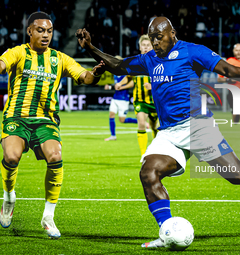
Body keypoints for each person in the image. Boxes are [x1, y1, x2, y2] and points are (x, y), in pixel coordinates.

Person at [76, 17, 240, 248]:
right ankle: (167, 232)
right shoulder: (149, 59)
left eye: (159, 36)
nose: (155, 42)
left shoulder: (192, 51)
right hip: (169, 133)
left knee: (239, 176)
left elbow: (228, 69)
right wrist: (91, 48)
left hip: (198, 126)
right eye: (152, 37)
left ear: (172, 33)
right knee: (148, 173)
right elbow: (119, 65)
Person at [0, 12, 104, 239]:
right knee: (11, 158)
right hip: (17, 118)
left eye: (49, 31)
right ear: (30, 31)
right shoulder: (18, 52)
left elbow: (84, 76)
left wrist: (95, 74)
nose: (45, 34)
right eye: (40, 30)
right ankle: (8, 198)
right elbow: (1, 63)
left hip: (46, 120)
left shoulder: (60, 58)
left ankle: (48, 216)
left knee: (55, 156)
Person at [127, 34, 158, 155]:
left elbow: (165, 81)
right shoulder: (134, 62)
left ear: (152, 47)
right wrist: (120, 85)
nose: (145, 47)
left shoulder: (157, 62)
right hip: (140, 100)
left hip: (154, 101)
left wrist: (152, 86)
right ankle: (143, 154)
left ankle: (156, 150)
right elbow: (128, 77)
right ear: (139, 47)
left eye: (148, 45)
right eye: (143, 45)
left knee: (155, 127)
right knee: (141, 124)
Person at [104, 74, 137, 141]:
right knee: (111, 115)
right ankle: (113, 136)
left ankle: (140, 121)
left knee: (122, 120)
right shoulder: (115, 74)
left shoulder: (125, 73)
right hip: (115, 98)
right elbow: (117, 86)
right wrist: (110, 87)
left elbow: (131, 84)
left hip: (123, 99)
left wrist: (122, 87)